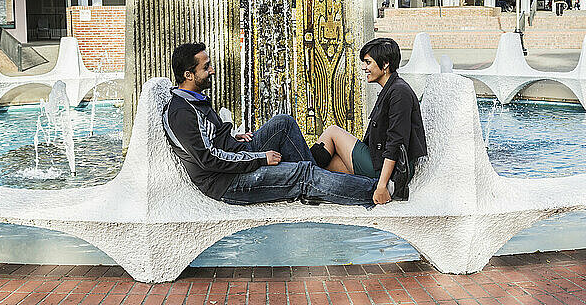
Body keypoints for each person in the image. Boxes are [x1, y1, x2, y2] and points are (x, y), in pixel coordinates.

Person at [162, 43, 382, 207]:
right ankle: (374, 190)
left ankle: (318, 184)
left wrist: (233, 138)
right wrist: (261, 158)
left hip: (234, 155)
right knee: (302, 174)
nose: (212, 70)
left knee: (283, 123)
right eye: (206, 67)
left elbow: (210, 140)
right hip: (225, 182)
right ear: (188, 75)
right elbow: (209, 159)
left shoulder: (194, 100)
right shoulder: (182, 113)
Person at [310, 38, 427, 204]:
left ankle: (300, 167)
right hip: (377, 161)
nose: (364, 67)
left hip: (386, 172)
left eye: (368, 62)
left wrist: (381, 186)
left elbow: (396, 143)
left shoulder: (399, 93)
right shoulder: (391, 89)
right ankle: (301, 175)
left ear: (385, 64)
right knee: (326, 167)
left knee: (333, 132)